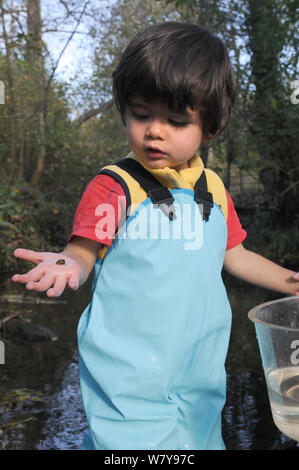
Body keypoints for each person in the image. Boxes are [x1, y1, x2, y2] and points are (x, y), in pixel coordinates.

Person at [12, 22, 299, 450]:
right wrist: (68, 263)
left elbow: (236, 255)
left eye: (177, 120)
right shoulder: (116, 186)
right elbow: (84, 249)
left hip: (199, 376)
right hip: (129, 379)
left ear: (211, 128)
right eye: (141, 114)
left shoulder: (215, 190)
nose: (154, 131)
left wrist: (293, 281)